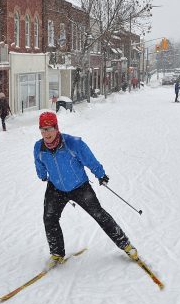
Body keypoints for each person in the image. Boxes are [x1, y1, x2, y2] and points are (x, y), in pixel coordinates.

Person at [33, 111, 138, 267]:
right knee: (49, 219)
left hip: (79, 187)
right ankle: (56, 254)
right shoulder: (39, 147)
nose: (46, 133)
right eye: (42, 129)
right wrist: (42, 175)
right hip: (56, 188)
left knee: (99, 214)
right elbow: (39, 163)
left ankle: (126, 245)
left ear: (56, 128)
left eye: (49, 129)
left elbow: (90, 159)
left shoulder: (73, 143)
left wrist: (100, 174)